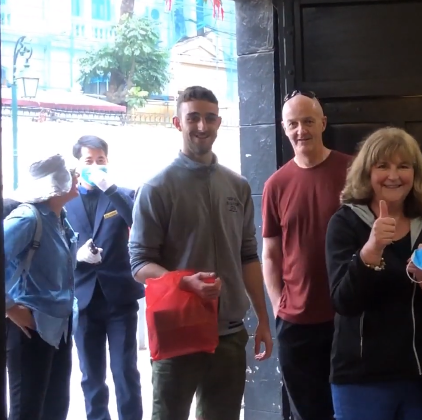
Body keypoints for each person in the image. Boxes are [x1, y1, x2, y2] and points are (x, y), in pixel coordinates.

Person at [129, 86, 273, 420]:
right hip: (176, 331)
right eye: (193, 117)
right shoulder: (155, 188)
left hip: (230, 334)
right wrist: (183, 282)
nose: (202, 126)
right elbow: (138, 264)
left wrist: (263, 320)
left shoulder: (237, 186)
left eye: (209, 118)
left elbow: (248, 256)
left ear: (219, 122)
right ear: (178, 122)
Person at [325, 127, 422, 420]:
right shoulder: (345, 223)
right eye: (382, 166)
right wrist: (371, 249)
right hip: (362, 379)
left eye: (403, 166)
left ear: (415, 173)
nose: (393, 175)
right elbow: (343, 301)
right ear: (367, 172)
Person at [262, 90, 353, 419]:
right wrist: (278, 306)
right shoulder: (276, 184)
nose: (301, 130)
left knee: (353, 411)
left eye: (309, 121)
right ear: (284, 128)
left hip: (348, 318)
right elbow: (270, 253)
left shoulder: (353, 171)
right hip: (296, 325)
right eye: (293, 124)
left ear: (323, 123)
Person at [66, 135, 144, 420]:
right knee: (91, 375)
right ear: (77, 165)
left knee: (125, 370)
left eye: (100, 160)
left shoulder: (121, 194)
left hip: (119, 298)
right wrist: (76, 256)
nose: (95, 165)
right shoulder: (65, 201)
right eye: (88, 161)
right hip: (83, 299)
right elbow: (54, 244)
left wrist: (109, 188)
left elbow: (138, 221)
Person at [4, 153, 80, 420]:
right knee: (27, 411)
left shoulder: (61, 219)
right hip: (30, 328)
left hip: (59, 327)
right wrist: (9, 307)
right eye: (70, 173)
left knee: (55, 408)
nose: (77, 176)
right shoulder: (28, 218)